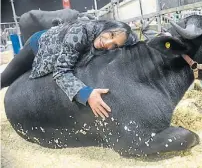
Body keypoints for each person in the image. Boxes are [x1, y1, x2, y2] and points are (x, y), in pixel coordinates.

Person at [1, 18, 138, 119]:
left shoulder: (100, 44)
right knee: (6, 78)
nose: (107, 43)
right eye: (111, 35)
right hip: (37, 45)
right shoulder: (79, 33)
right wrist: (86, 94)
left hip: (58, 48)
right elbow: (61, 71)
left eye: (114, 45)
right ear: (106, 26)